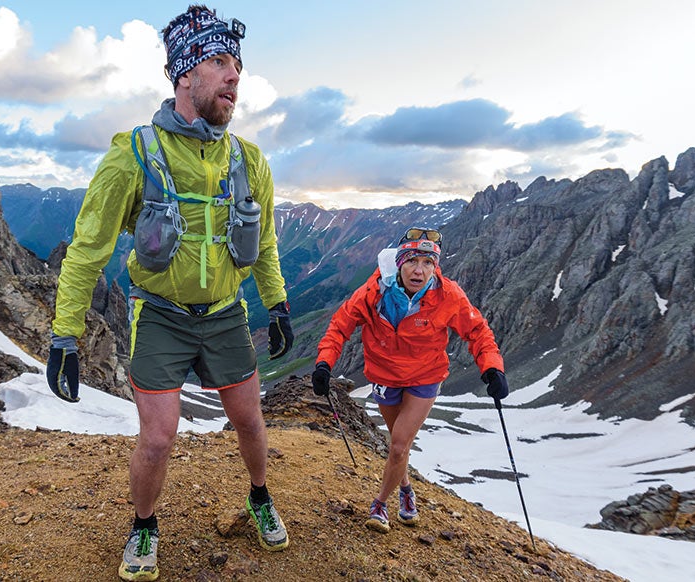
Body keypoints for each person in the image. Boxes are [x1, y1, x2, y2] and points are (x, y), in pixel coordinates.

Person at [44, 6, 294, 580]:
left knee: (251, 423)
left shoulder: (249, 160)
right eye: (219, 62)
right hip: (158, 314)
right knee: (158, 439)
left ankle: (259, 496)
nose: (235, 76)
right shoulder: (132, 155)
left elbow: (268, 240)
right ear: (185, 76)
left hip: (228, 313)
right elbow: (87, 248)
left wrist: (276, 303)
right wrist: (66, 333)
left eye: (238, 65)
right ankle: (144, 526)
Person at [311, 227, 508, 533]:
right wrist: (324, 362)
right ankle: (406, 489)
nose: (420, 270)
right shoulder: (374, 291)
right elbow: (340, 325)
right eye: (413, 261)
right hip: (385, 375)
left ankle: (380, 504)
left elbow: (478, 331)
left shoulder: (448, 295)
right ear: (400, 262)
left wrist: (492, 368)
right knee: (397, 445)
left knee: (400, 445)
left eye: (428, 262)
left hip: (425, 377)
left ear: (436, 266)